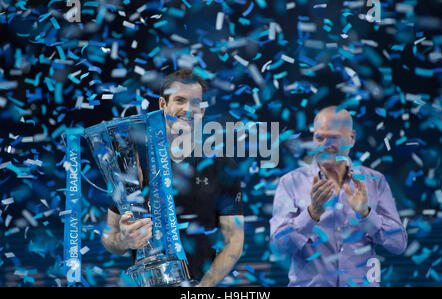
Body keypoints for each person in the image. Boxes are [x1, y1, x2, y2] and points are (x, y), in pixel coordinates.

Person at [102, 69, 244, 287]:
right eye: (179, 100)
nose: (188, 109)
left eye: (195, 102)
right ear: (162, 104)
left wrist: (203, 289)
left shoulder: (222, 165)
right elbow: (109, 239)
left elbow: (234, 240)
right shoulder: (134, 163)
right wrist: (124, 240)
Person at [270, 106, 407, 287]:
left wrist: (366, 214)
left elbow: (399, 245)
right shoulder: (291, 182)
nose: (326, 145)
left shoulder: (374, 181)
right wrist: (311, 214)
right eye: (320, 137)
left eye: (333, 137)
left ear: (351, 138)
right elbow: (279, 247)